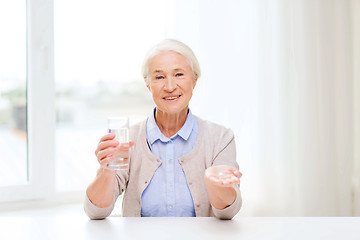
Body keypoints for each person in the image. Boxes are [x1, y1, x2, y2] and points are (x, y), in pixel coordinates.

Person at [84, 39, 242, 219]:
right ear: (148, 85)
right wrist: (106, 170)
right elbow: (96, 212)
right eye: (159, 77)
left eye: (179, 74)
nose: (169, 86)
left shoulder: (220, 138)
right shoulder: (129, 140)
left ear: (194, 80)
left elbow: (229, 211)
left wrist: (216, 185)